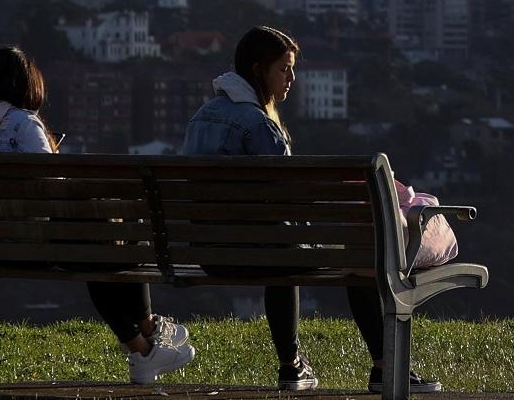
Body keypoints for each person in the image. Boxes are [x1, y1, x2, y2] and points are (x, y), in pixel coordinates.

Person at [181, 26, 441, 394]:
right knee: (361, 257)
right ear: (258, 70)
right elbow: (292, 198)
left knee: (283, 252)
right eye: (284, 69)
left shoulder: (201, 117)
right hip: (262, 254)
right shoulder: (260, 126)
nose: (292, 78)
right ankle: (384, 366)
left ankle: (292, 364)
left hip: (208, 252)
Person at [0, 46, 196, 385]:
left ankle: (144, 348)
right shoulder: (22, 124)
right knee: (113, 232)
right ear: (26, 88)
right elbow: (54, 195)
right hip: (35, 248)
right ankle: (147, 338)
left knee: (101, 237)